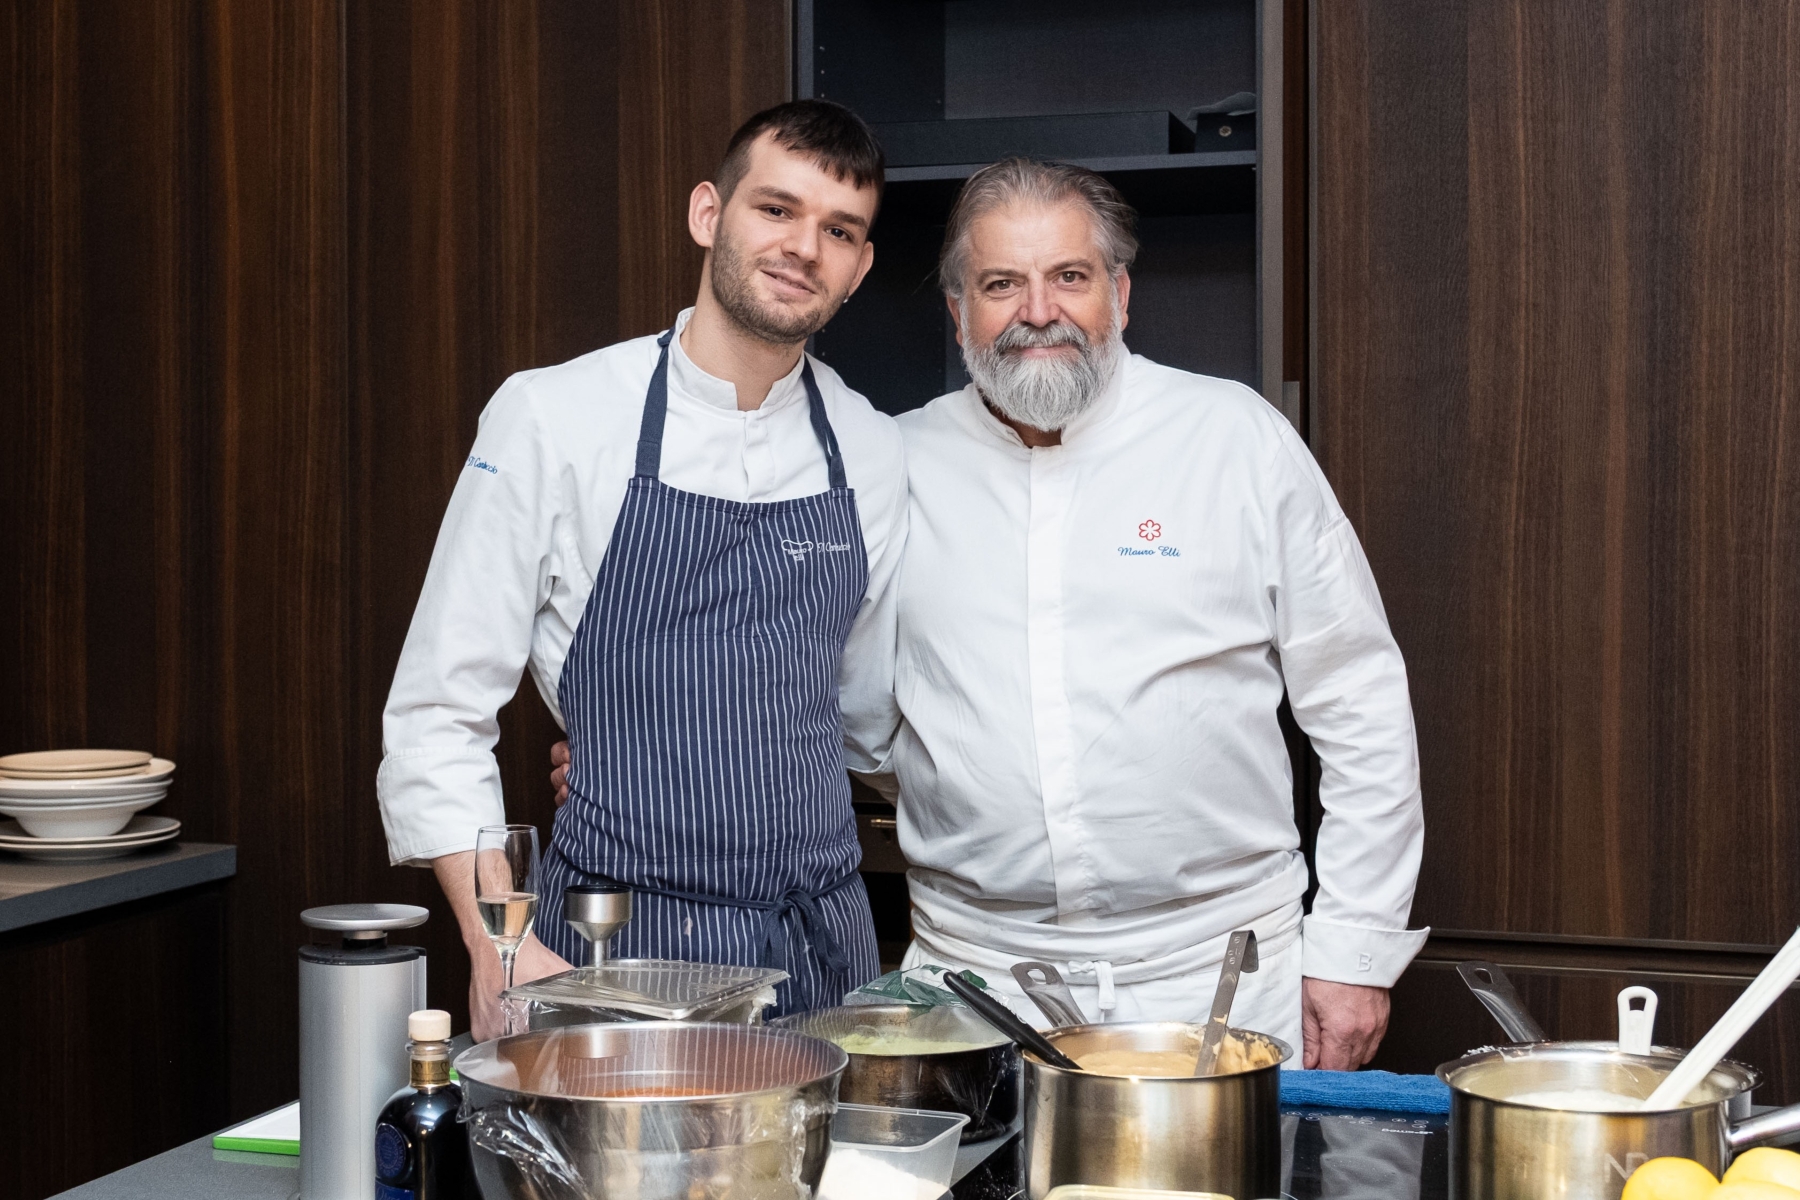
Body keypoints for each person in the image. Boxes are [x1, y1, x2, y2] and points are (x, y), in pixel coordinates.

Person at [881, 158, 1425, 1069]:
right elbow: (839, 706)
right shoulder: (895, 464)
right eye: (1001, 284)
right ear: (957, 309)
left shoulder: (1234, 438)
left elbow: (1359, 697)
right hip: (974, 982)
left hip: (1218, 976)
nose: (1039, 311)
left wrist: (1355, 950)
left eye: (1070, 276)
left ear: (1121, 294)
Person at [378, 100, 906, 1038]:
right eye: (775, 209)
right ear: (708, 213)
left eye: (839, 230)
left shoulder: (871, 446)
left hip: (824, 955)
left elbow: (863, 719)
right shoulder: (552, 416)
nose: (803, 247)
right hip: (613, 950)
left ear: (860, 267)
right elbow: (436, 716)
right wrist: (500, 947)